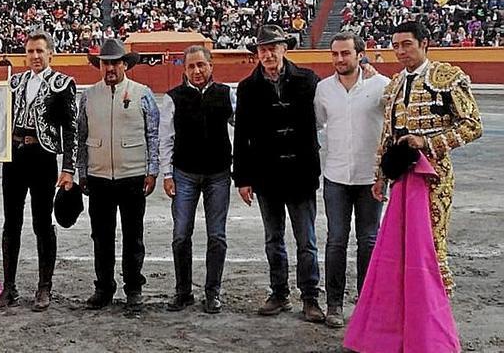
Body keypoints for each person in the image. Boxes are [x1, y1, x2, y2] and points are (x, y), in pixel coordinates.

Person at [371, 21, 483, 294]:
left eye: (407, 44)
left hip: (435, 174)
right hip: (401, 176)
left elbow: (473, 125)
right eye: (396, 46)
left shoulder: (446, 77)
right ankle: (411, 305)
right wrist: (380, 178)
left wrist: (428, 142)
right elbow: (389, 133)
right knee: (403, 243)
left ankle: (435, 310)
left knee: (432, 242)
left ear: (424, 43)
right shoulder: (396, 83)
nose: (400, 51)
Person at [232, 24, 325, 323]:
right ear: (257, 53)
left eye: (273, 47)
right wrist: (242, 177)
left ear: (285, 48)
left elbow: (327, 115)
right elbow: (241, 135)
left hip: (300, 173)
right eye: (263, 49)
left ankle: (310, 296)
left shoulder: (308, 80)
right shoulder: (247, 88)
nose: (268, 53)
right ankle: (279, 292)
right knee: (273, 238)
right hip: (266, 174)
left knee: (306, 239)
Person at [0, 31, 77, 312]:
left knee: (42, 223)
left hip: (43, 157)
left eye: (40, 51)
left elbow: (71, 129)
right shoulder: (14, 82)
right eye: (30, 51)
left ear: (50, 53)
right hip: (13, 157)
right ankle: (9, 287)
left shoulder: (62, 84)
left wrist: (68, 168)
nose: (35, 56)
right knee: (11, 222)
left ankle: (44, 287)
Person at [76, 38, 160, 318]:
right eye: (105, 62)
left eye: (115, 62)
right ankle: (104, 287)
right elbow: (81, 137)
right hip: (99, 175)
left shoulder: (142, 93)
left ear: (125, 64)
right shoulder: (88, 96)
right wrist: (82, 172)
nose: (110, 67)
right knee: (101, 236)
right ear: (99, 65)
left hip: (133, 174)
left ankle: (133, 288)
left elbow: (152, 134)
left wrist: (152, 169)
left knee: (133, 236)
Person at [314, 32, 389, 328]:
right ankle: (334, 304)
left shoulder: (381, 86)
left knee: (369, 242)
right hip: (335, 176)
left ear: (360, 54)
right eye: (335, 54)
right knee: (336, 241)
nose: (339, 59)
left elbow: (392, 127)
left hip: (371, 178)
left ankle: (366, 303)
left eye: (345, 53)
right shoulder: (323, 89)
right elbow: (317, 124)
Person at [159, 45, 236, 314]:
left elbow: (245, 128)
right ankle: (183, 292)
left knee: (217, 236)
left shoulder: (228, 95)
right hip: (184, 174)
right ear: (185, 70)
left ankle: (213, 292)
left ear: (211, 65)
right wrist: (167, 174)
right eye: (191, 66)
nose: (197, 70)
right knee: (181, 235)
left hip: (218, 174)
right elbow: (166, 139)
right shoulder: (173, 98)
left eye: (201, 65)